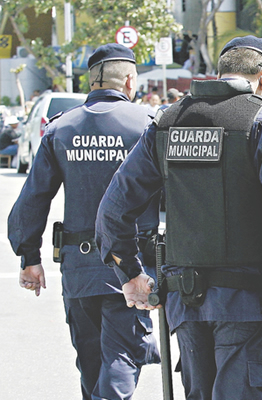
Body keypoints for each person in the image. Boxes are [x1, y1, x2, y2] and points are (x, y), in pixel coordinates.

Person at [95, 36, 262, 400]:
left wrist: (130, 274)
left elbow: (114, 209)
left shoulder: (168, 121)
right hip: (251, 305)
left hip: (186, 305)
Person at [7, 43, 160, 400]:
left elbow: (32, 199)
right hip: (132, 264)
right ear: (129, 80)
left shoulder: (61, 129)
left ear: (91, 80)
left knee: (91, 366)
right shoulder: (147, 125)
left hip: (79, 266)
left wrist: (29, 257)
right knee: (122, 357)